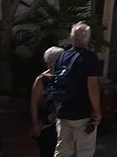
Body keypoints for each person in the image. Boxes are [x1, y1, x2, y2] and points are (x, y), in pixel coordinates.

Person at [48, 22, 104, 157]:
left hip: (63, 111)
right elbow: (92, 86)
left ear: (71, 37)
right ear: (87, 38)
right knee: (85, 151)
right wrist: (96, 111)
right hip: (82, 113)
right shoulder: (89, 58)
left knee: (62, 152)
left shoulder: (62, 56)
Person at [28, 46, 63, 157]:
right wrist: (35, 123)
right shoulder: (41, 79)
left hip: (63, 122)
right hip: (45, 124)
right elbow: (34, 102)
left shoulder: (64, 77)